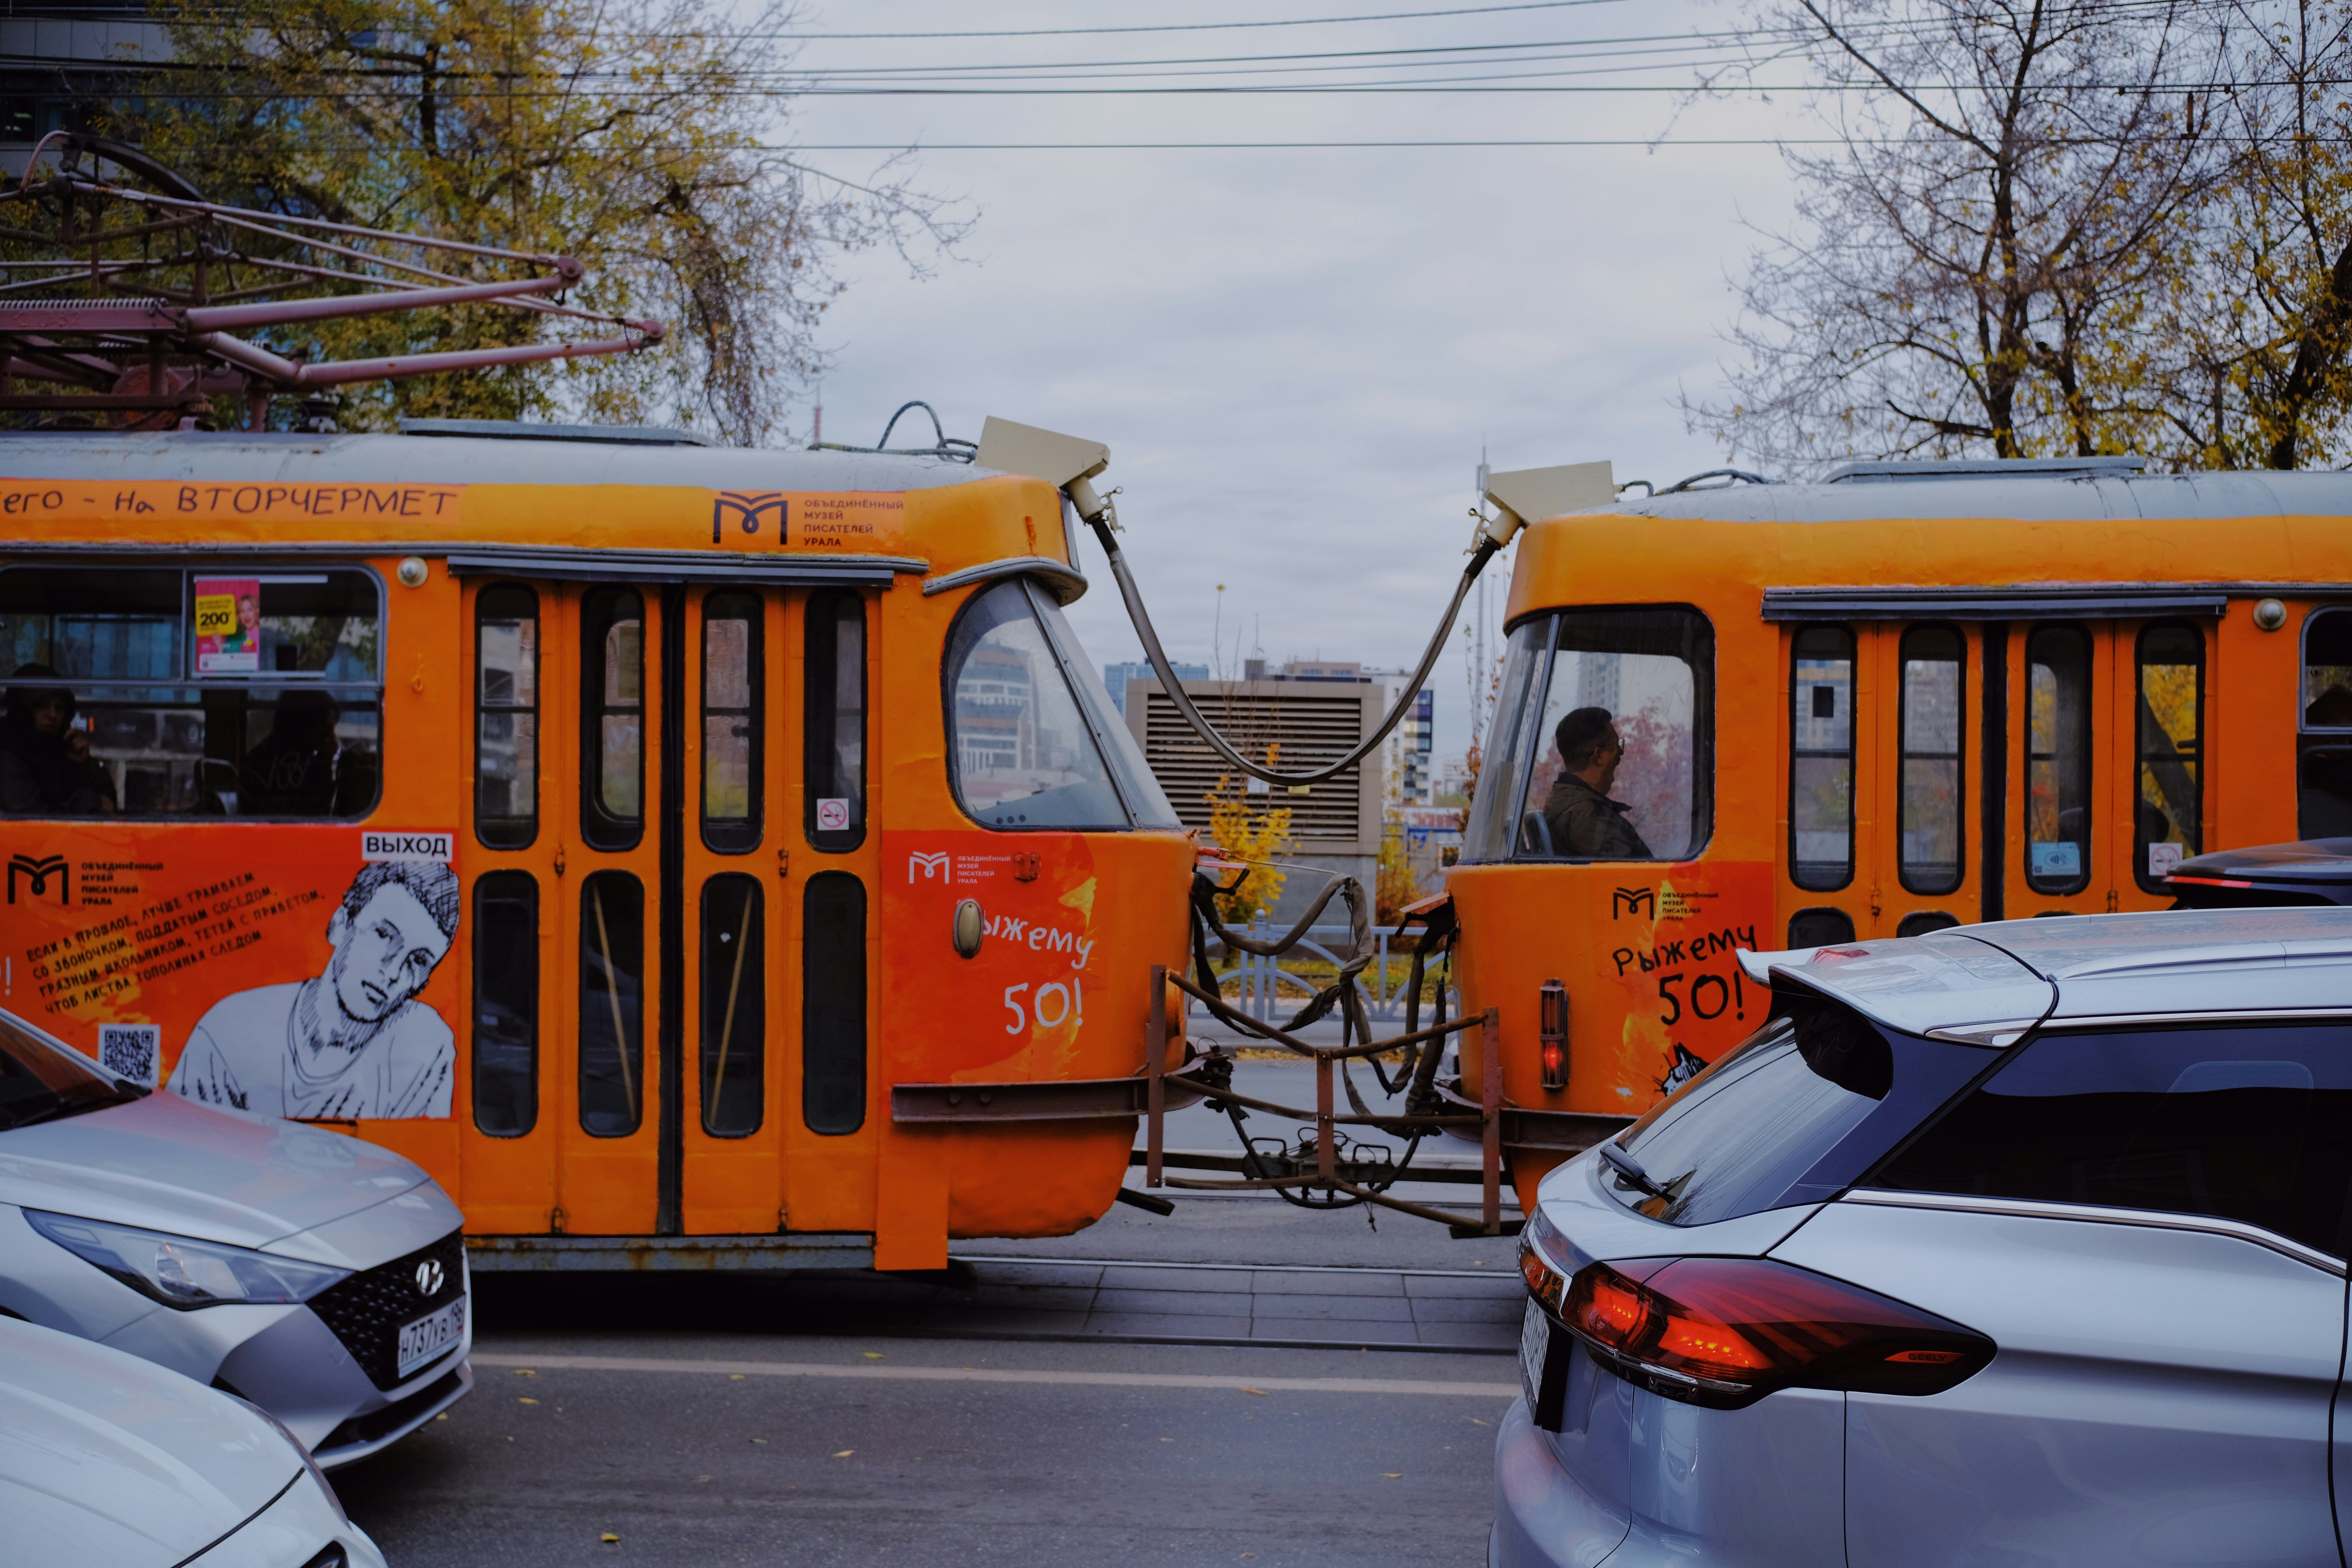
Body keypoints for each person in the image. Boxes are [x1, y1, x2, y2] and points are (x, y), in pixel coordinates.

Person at [167, 860, 460, 1119]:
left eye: (418, 961)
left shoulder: (428, 1045)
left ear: (423, 982)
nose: (393, 972)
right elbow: (187, 1156)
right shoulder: (229, 1030)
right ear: (340, 926)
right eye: (383, 935)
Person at [0, 663, 118, 816]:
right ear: (24, 709)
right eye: (42, 706)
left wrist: (86, 764)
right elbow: (31, 817)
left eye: (59, 707)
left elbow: (110, 803)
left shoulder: (60, 747)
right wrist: (90, 803)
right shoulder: (9, 753)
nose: (53, 715)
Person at [1540, 706, 1652, 859]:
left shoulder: (1566, 804)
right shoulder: (1589, 821)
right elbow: (1627, 879)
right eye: (1617, 746)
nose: (1622, 752)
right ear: (1599, 756)